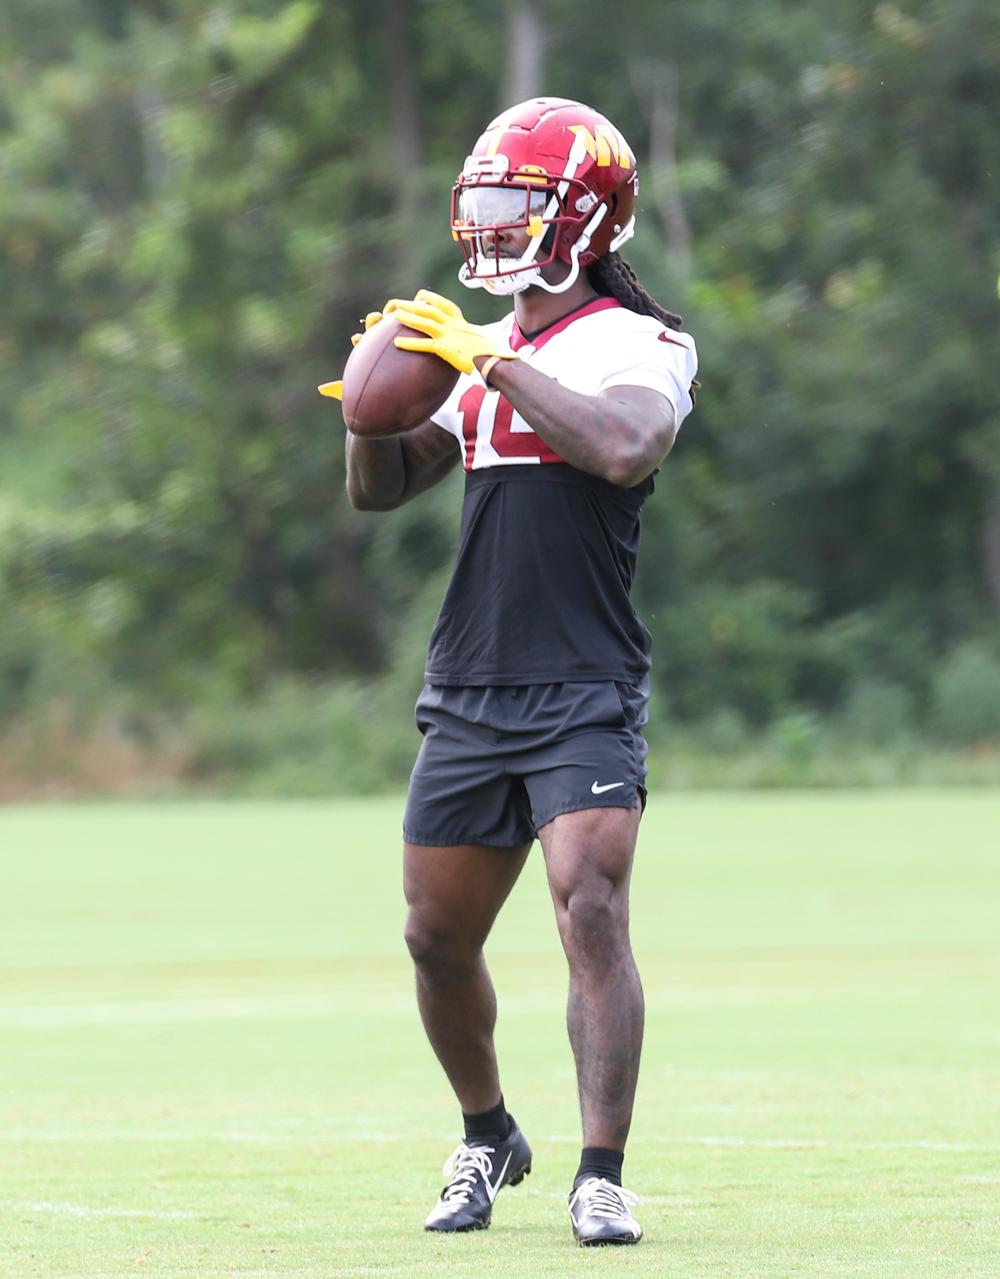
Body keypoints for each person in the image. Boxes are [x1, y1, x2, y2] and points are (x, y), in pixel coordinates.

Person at [326, 97, 697, 1246]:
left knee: (589, 904)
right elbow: (380, 490)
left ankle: (602, 1170)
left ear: (584, 216)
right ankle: (488, 1135)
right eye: (481, 210)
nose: (489, 232)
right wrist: (368, 402)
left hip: (583, 680)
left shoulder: (640, 344)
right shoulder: (482, 356)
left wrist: (497, 359)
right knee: (435, 937)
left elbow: (625, 449)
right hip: (473, 684)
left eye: (514, 208)